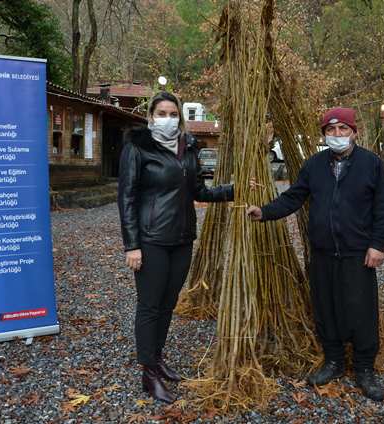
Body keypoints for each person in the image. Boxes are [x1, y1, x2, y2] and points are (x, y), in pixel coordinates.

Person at [246, 107, 384, 402]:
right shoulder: (314, 165)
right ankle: (334, 361)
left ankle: (364, 368)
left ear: (354, 132)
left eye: (343, 129)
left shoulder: (371, 164)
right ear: (324, 135)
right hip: (323, 252)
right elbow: (294, 197)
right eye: (331, 130)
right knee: (327, 308)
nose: (337, 134)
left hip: (357, 252)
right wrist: (265, 212)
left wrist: (378, 244)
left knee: (360, 310)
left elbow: (383, 208)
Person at [117, 91, 233, 404]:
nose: (167, 119)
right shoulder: (137, 147)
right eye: (161, 113)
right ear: (151, 116)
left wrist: (233, 191)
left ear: (179, 117)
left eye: (173, 114)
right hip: (151, 239)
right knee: (150, 305)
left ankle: (157, 358)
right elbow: (126, 198)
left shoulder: (188, 147)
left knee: (168, 304)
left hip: (182, 239)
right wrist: (132, 245)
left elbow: (199, 191)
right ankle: (148, 373)